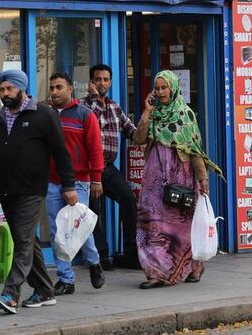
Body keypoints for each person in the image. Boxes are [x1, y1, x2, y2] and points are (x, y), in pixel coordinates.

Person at [0, 69, 77, 314]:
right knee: (27, 240)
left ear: (21, 88)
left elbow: (61, 152)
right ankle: (44, 289)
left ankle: (11, 294)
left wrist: (69, 185)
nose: (5, 93)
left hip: (31, 188)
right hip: (5, 189)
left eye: (10, 89)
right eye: (1, 89)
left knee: (22, 240)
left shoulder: (43, 115)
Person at [133, 70, 222, 289]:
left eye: (165, 88)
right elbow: (138, 139)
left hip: (180, 175)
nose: (161, 92)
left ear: (173, 88)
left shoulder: (185, 114)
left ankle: (194, 265)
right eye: (158, 88)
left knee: (180, 225)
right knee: (151, 223)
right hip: (154, 176)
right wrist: (146, 112)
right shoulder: (154, 114)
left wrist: (203, 180)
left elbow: (195, 150)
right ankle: (156, 272)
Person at [46, 72, 106, 295]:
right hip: (51, 181)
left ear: (70, 89)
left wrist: (97, 178)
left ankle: (93, 262)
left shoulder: (84, 115)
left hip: (80, 181)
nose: (54, 92)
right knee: (56, 232)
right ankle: (66, 279)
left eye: (59, 87)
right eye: (51, 88)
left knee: (79, 229)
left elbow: (94, 149)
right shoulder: (46, 114)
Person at [83, 64, 140, 270]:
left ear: (111, 82)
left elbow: (132, 130)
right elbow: (90, 120)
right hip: (89, 169)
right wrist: (96, 99)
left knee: (128, 200)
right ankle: (102, 257)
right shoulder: (83, 106)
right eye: (98, 79)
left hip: (108, 167)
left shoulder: (115, 107)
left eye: (106, 79)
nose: (102, 83)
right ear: (91, 82)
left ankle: (131, 253)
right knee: (94, 210)